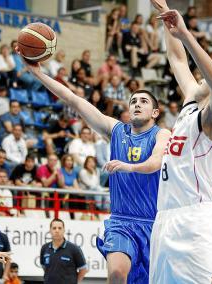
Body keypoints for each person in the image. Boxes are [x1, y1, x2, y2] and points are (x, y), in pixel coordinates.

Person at [19, 42, 170, 283]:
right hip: (121, 222)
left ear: (155, 112)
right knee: (117, 274)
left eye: (143, 101)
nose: (137, 104)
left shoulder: (162, 134)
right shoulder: (116, 130)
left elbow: (155, 162)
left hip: (154, 224)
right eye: (133, 101)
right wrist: (37, 72)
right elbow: (74, 100)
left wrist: (128, 166)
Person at [149, 1, 212, 282]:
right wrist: (166, 14)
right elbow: (178, 60)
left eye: (211, 70)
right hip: (165, 219)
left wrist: (186, 35)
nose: (202, 73)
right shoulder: (192, 100)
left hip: (195, 220)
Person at [40, 219, 87, 284]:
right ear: (50, 230)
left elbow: (83, 269)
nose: (57, 230)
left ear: (64, 230)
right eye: (54, 228)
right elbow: (45, 268)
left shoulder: (74, 249)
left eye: (60, 228)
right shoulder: (44, 248)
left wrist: (75, 282)